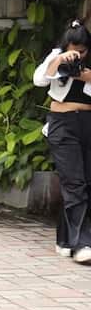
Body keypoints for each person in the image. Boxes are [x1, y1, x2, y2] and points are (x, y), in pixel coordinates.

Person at [33, 19, 91, 264]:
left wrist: (86, 76)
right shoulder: (56, 56)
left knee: (85, 183)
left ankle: (65, 239)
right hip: (62, 123)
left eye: (82, 51)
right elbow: (39, 80)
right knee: (74, 182)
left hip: (87, 123)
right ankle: (83, 244)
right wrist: (58, 61)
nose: (77, 55)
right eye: (73, 50)